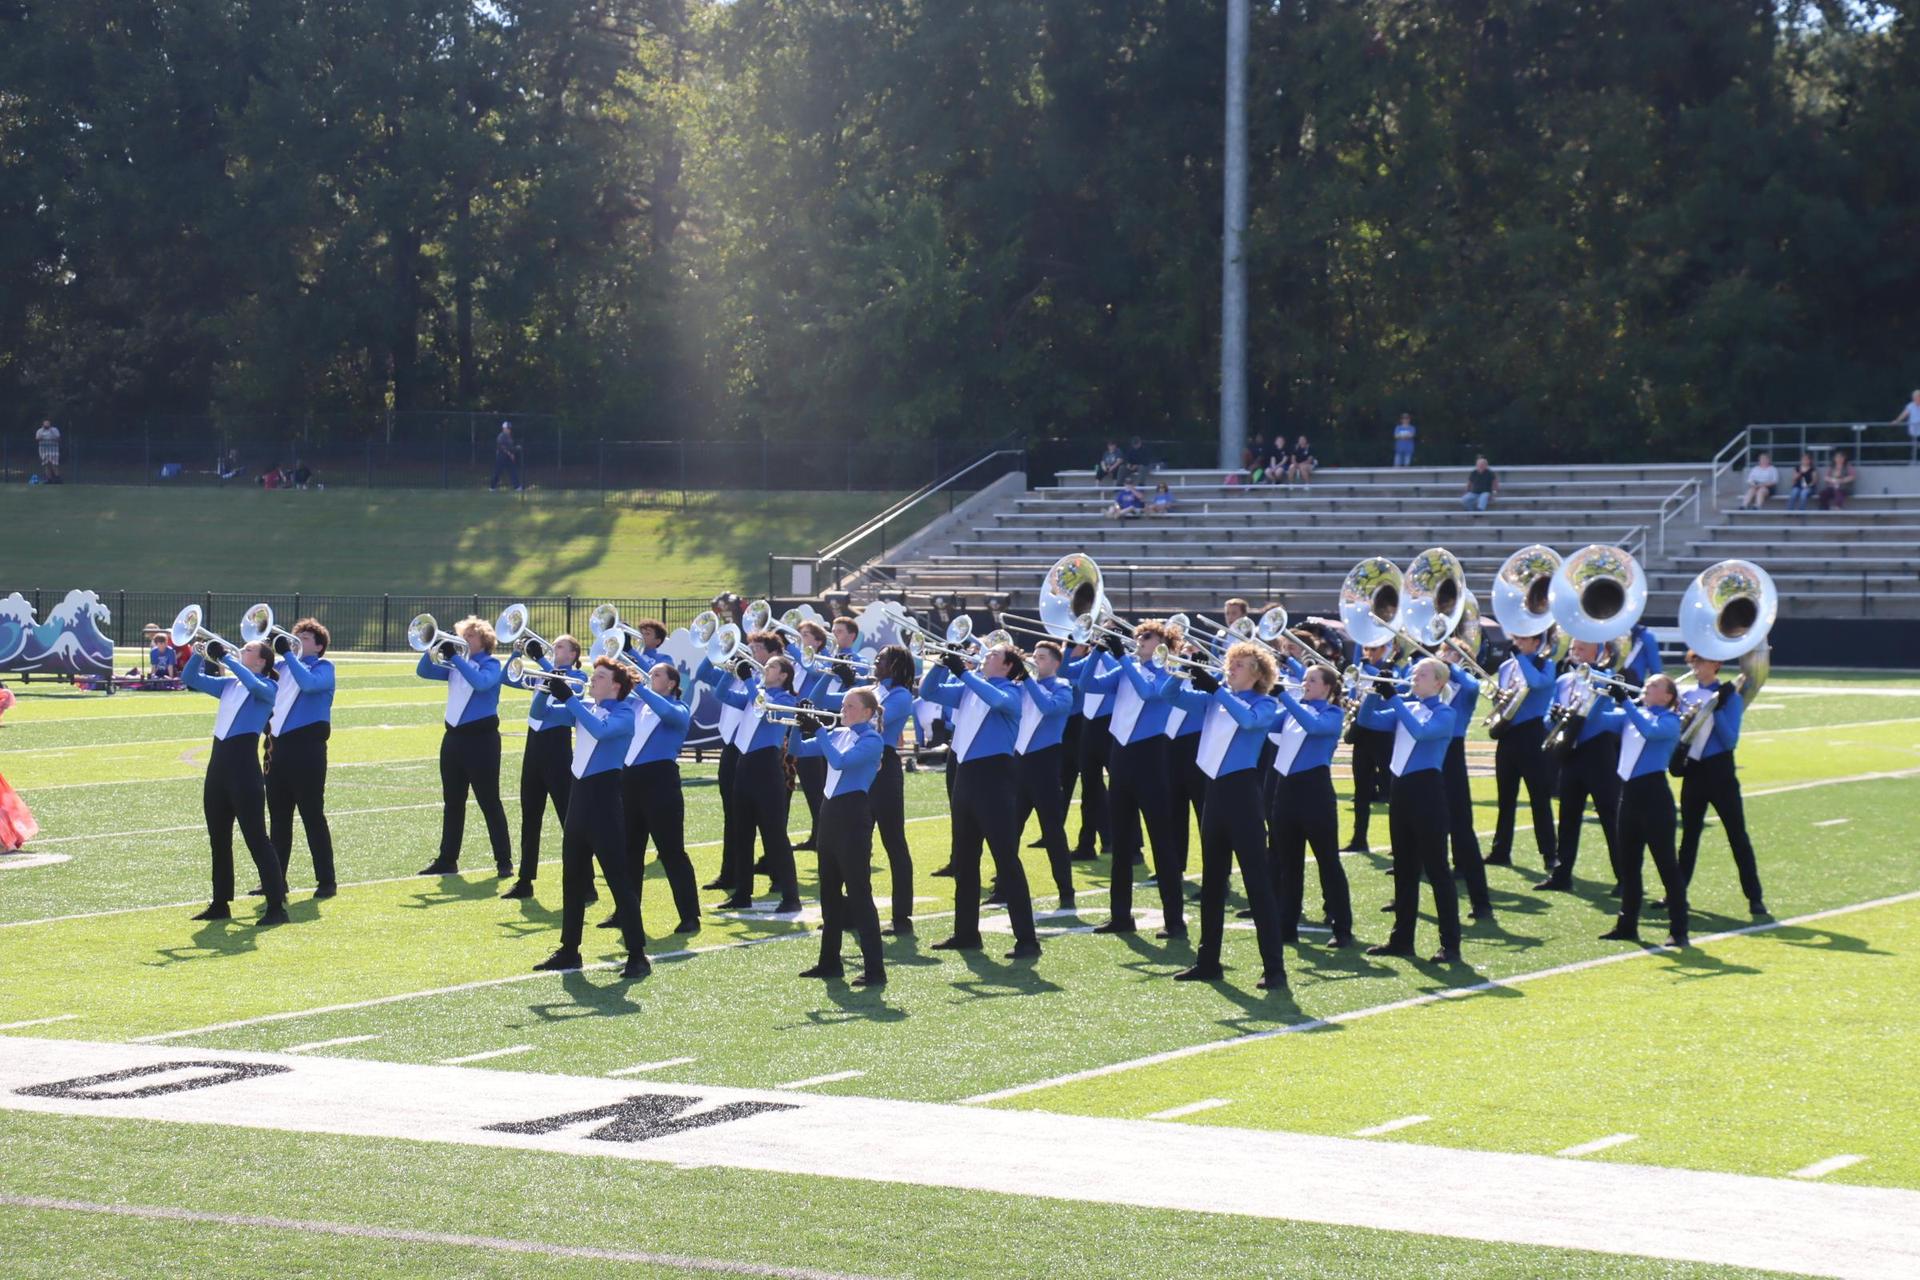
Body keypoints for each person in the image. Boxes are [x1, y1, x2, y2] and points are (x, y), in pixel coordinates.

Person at [1171, 642, 1290, 989]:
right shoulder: (1214, 698)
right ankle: (1208, 961)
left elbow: (1250, 722)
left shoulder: (1264, 702)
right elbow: (1170, 698)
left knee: (1257, 884)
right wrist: (1183, 670)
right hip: (1215, 795)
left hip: (1243, 795)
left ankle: (1274, 968)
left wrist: (1219, 692)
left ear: (1257, 674)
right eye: (1231, 663)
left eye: (1240, 665)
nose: (1231, 669)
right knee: (1212, 883)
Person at [918, 642, 1042, 959]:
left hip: (995, 779)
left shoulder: (1012, 693)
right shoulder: (970, 688)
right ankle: (966, 933)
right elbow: (929, 691)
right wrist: (943, 663)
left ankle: (1027, 939)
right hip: (966, 777)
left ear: (1008, 667)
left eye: (993, 655)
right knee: (965, 860)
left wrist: (964, 673)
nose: (985, 657)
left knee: (1006, 860)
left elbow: (996, 699)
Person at [532, 658, 650, 980]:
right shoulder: (584, 706)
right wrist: (545, 688)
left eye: (599, 677)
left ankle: (637, 953)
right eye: (594, 676)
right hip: (578, 801)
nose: (593, 681)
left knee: (617, 880)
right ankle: (570, 950)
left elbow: (600, 730)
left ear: (615, 685)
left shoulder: (625, 713)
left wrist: (569, 697)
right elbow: (538, 717)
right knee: (571, 879)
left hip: (605, 803)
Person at [1076, 622, 1183, 936]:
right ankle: (1120, 915)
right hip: (1121, 756)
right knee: (1121, 842)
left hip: (1152, 757)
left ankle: (1174, 921)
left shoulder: (1169, 672)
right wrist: (1097, 651)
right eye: (1139, 636)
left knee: (1162, 841)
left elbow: (1148, 692)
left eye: (1147, 637)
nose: (1139, 641)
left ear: (1164, 643)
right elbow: (1087, 686)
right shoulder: (1128, 668)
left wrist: (1122, 657)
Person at [1355, 658, 1462, 963]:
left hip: (1427, 792)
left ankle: (1450, 945)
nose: (1414, 677)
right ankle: (1402, 939)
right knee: (1404, 869)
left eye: (1422, 674)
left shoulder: (1445, 712)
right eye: (1414, 673)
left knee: (1438, 871)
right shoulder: (1407, 706)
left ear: (1439, 682)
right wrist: (1376, 692)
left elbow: (1420, 732)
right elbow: (1368, 720)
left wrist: (1394, 699)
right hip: (1400, 791)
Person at [180, 640, 289, 924]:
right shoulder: (229, 686)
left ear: (263, 661)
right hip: (218, 769)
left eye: (249, 650)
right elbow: (189, 679)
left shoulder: (268, 688)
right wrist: (196, 654)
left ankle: (276, 906)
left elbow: (253, 686)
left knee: (257, 839)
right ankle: (220, 903)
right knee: (218, 839)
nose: (243, 650)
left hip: (243, 770)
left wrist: (226, 659)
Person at [789, 687, 888, 985]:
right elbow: (798, 751)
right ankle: (829, 962)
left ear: (868, 712)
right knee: (828, 893)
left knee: (859, 894)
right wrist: (797, 723)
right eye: (843, 705)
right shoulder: (839, 734)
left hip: (853, 816)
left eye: (850, 706)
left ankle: (875, 970)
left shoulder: (872, 739)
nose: (843, 710)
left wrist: (818, 729)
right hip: (830, 815)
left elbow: (840, 762)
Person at [1591, 674, 1689, 948]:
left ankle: (1679, 930)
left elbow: (1650, 731)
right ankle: (1627, 925)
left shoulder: (1670, 720)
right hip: (1629, 795)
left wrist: (1627, 703)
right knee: (1629, 865)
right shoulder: (1632, 712)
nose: (1648, 685)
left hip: (1655, 796)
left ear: (1668, 696)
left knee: (1666, 865)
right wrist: (1601, 693)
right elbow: (1598, 720)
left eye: (1655, 685)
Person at [1264, 662, 1353, 950]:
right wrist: (1269, 695)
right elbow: (1268, 726)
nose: (1306, 684)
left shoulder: (1332, 713)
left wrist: (1287, 699)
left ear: (1327, 688)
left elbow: (1313, 727)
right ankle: (1286, 925)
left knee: (1328, 862)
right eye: (1305, 680)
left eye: (1313, 681)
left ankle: (1342, 927)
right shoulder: (1292, 710)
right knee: (1289, 864)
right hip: (1286, 789)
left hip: (1315, 792)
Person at [416, 617, 514, 877]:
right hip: (454, 739)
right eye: (463, 635)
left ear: (484, 641)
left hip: (482, 740)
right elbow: (423, 671)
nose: (465, 640)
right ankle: (447, 859)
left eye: (470, 636)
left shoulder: (491, 664)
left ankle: (504, 861)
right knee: (453, 801)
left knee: (489, 801)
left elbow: (481, 683)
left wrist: (457, 659)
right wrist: (436, 645)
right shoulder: (455, 664)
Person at [707, 648, 804, 912]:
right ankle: (743, 893)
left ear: (784, 675)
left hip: (766, 767)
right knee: (742, 832)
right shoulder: (755, 693)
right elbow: (721, 695)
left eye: (771, 667)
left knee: (774, 835)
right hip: (744, 765)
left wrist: (749, 680)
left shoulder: (785, 699)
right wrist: (731, 673)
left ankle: (791, 897)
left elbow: (763, 708)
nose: (765, 669)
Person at [1673, 651, 1767, 916]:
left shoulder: (1731, 698)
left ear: (1716, 664)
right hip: (1694, 769)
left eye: (1700, 662)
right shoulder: (1687, 696)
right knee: (1689, 837)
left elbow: (1729, 740)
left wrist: (1715, 709)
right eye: (1693, 662)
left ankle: (1754, 897)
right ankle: (1677, 894)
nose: (1696, 667)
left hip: (1720, 771)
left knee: (1737, 836)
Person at [616, 659, 701, 933]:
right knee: (629, 851)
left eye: (656, 674)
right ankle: (625, 911)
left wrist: (640, 688)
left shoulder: (679, 707)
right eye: (649, 674)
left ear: (672, 683)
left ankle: (690, 915)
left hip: (661, 780)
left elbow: (666, 712)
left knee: (671, 851)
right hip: (629, 780)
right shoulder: (637, 705)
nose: (650, 676)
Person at [1537, 642, 1623, 892]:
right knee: (1568, 817)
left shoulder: (1605, 679)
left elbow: (1593, 715)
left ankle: (1624, 878)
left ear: (1598, 653)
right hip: (1571, 753)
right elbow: (1545, 716)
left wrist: (1571, 715)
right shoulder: (1563, 679)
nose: (1576, 652)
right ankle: (1562, 876)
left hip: (1599, 751)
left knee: (1610, 817)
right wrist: (1553, 716)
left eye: (1583, 649)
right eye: (1575, 648)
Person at [504, 634, 581, 900]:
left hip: (557, 749)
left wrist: (541, 660)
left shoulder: (579, 678)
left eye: (560, 646)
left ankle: (586, 881)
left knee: (568, 819)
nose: (554, 649)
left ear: (573, 654)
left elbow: (569, 699)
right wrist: (517, 654)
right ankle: (525, 880)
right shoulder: (542, 673)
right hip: (533, 746)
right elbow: (508, 678)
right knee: (530, 816)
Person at [265, 618, 337, 899]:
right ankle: (275, 880)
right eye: (295, 637)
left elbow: (307, 684)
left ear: (319, 646)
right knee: (278, 819)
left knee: (312, 816)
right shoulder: (280, 667)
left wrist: (286, 654)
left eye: (304, 638)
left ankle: (326, 881)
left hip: (308, 749)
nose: (297, 641)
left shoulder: (324, 667)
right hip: (277, 747)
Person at [1483, 629, 1558, 873]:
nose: (1517, 642)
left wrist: (1521, 659)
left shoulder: (1546, 665)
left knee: (1539, 798)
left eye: (1523, 638)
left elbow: (1536, 683)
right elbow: (1502, 700)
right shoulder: (1506, 666)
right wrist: (1499, 699)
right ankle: (1501, 850)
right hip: (1508, 734)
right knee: (1506, 798)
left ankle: (1549, 854)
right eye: (1516, 638)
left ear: (1536, 642)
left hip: (1533, 735)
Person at [1013, 641, 1076, 910]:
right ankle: (1005, 887)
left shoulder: (1062, 686)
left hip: (1045, 764)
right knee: (1009, 830)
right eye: (1033, 655)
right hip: (1018, 763)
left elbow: (1048, 708)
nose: (1035, 660)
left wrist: (1027, 680)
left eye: (1041, 657)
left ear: (1055, 663)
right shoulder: (1022, 685)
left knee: (1052, 831)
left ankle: (1066, 890)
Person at [866, 645, 920, 934]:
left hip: (883, 766)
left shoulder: (900, 695)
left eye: (882, 658)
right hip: (859, 765)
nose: (876, 660)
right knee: (855, 843)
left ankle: (902, 917)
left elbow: (869, 718)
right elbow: (824, 700)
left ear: (896, 665)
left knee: (893, 842)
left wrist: (854, 698)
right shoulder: (870, 690)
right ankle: (856, 908)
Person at [1439, 655, 1492, 921]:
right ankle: (1401, 898)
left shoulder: (1463, 689)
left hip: (1452, 757)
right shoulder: (1429, 684)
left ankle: (1481, 902)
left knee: (1462, 832)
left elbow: (1473, 687)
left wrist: (1453, 666)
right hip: (1426, 754)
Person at [1339, 639, 1396, 853]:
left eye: (1373, 648)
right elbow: (1353, 689)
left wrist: (1369, 668)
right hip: (1362, 734)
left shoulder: (1388, 669)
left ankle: (1398, 841)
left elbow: (1389, 698)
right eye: (1366, 648)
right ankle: (1358, 838)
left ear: (1384, 649)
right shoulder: (1360, 667)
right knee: (1361, 790)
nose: (1368, 652)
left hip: (1382, 735)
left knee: (1390, 790)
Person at [490, 420, 524, 491]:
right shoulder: (501, 436)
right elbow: (502, 447)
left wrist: (514, 450)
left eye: (509, 428)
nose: (509, 430)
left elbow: (510, 447)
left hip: (508, 457)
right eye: (507, 428)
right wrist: (510, 454)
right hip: (501, 457)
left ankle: (517, 487)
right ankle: (492, 487)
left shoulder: (509, 437)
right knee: (497, 472)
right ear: (503, 428)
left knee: (512, 471)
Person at [1892, 389, 1920, 462]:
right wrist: (1897, 421)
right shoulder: (1910, 406)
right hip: (1913, 431)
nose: (1915, 398)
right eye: (1914, 397)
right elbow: (1904, 414)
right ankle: (1914, 462)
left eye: (1917, 397)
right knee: (1914, 447)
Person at [34, 419, 61, 483]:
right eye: (45, 423)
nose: (46, 425)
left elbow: (58, 438)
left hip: (53, 449)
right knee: (46, 464)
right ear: (43, 424)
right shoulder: (40, 430)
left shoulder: (54, 430)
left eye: (48, 423)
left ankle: (57, 479)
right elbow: (37, 438)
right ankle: (49, 479)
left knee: (54, 464)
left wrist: (51, 432)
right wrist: (42, 433)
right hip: (43, 449)